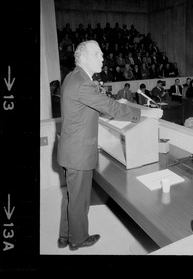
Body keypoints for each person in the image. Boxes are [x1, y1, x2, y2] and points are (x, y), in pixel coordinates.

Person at [57, 40, 163, 251]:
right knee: (79, 198)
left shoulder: (73, 76)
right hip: (78, 152)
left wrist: (113, 103)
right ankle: (77, 239)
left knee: (72, 195)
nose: (103, 57)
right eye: (97, 54)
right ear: (83, 57)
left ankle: (64, 235)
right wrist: (144, 113)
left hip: (71, 149)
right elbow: (108, 106)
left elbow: (93, 104)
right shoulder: (83, 82)